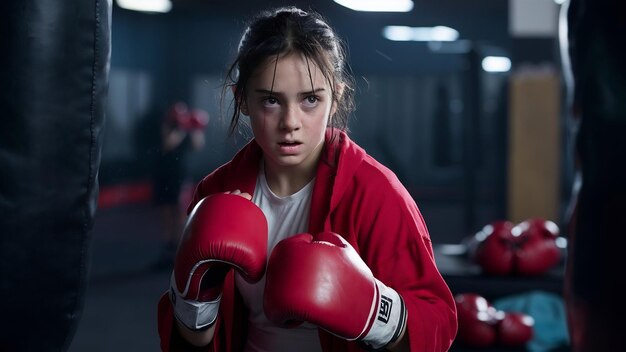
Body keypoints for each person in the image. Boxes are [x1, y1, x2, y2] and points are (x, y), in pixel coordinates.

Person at [157, 6, 457, 351]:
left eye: (310, 99)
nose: (290, 122)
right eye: (271, 100)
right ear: (242, 100)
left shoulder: (377, 194)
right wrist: (198, 297)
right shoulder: (216, 193)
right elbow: (188, 343)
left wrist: (374, 311)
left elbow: (438, 328)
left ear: (335, 98)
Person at [153, 101, 207, 268]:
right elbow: (167, 144)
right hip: (164, 174)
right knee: (166, 211)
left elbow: (198, 146)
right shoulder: (167, 125)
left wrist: (195, 128)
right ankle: (167, 247)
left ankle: (178, 247)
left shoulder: (187, 128)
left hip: (180, 175)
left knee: (181, 210)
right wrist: (182, 128)